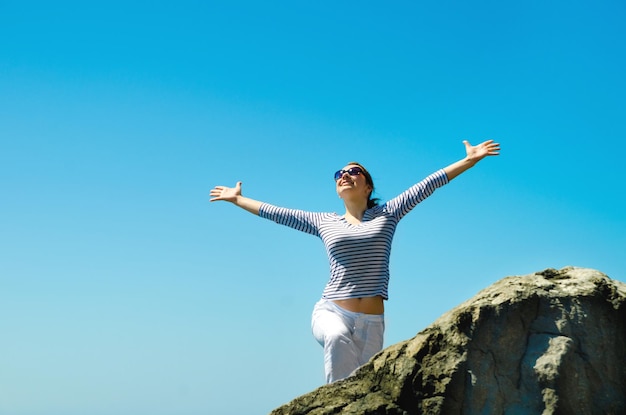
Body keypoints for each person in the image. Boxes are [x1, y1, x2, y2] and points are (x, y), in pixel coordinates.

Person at [209, 139, 500, 383]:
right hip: (332, 311)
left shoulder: (388, 213)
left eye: (354, 171)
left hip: (372, 323)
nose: (345, 175)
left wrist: (470, 161)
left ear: (368, 187)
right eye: (339, 173)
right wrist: (238, 199)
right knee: (335, 339)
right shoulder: (323, 221)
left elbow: (429, 184)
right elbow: (277, 212)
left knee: (364, 384)